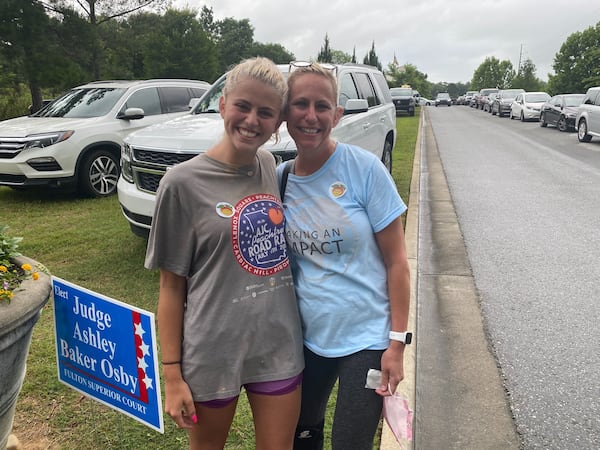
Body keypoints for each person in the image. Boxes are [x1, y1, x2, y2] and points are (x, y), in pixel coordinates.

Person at [145, 57, 304, 450]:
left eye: (265, 112)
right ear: (222, 104)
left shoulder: (269, 164)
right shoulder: (180, 183)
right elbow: (170, 287)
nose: (252, 120)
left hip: (278, 345)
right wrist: (171, 375)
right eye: (243, 106)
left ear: (277, 123)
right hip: (212, 351)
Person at [277, 62, 411, 450]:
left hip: (367, 339)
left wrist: (396, 344)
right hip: (307, 338)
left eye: (323, 105)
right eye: (300, 103)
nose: (311, 115)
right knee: (302, 434)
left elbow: (397, 263)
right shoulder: (280, 178)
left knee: (350, 442)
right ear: (286, 114)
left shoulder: (364, 169)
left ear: (337, 114)